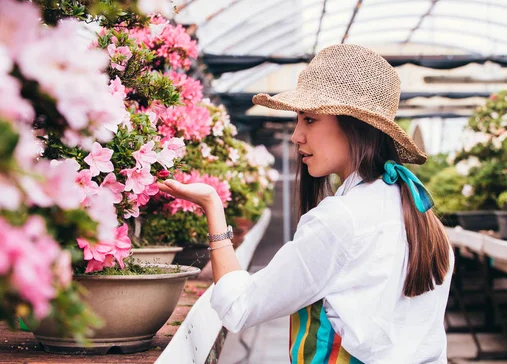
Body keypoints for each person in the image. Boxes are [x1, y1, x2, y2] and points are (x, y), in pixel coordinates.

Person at [158, 44, 454, 363]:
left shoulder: (341, 219)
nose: (296, 135)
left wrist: (212, 206)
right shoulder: (418, 212)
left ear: (355, 125)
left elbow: (238, 307)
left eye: (309, 120)